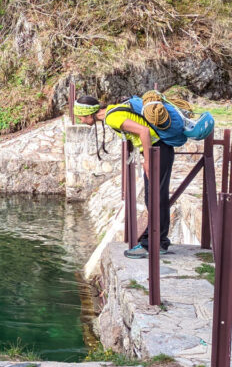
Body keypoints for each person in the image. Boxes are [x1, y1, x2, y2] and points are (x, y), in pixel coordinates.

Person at [73, 94, 173, 258]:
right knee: (156, 197)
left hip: (158, 151)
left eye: (82, 118)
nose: (81, 121)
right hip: (160, 150)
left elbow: (144, 131)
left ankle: (152, 245)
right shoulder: (112, 111)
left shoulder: (112, 118)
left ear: (90, 114)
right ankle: (159, 242)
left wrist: (148, 161)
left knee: (154, 198)